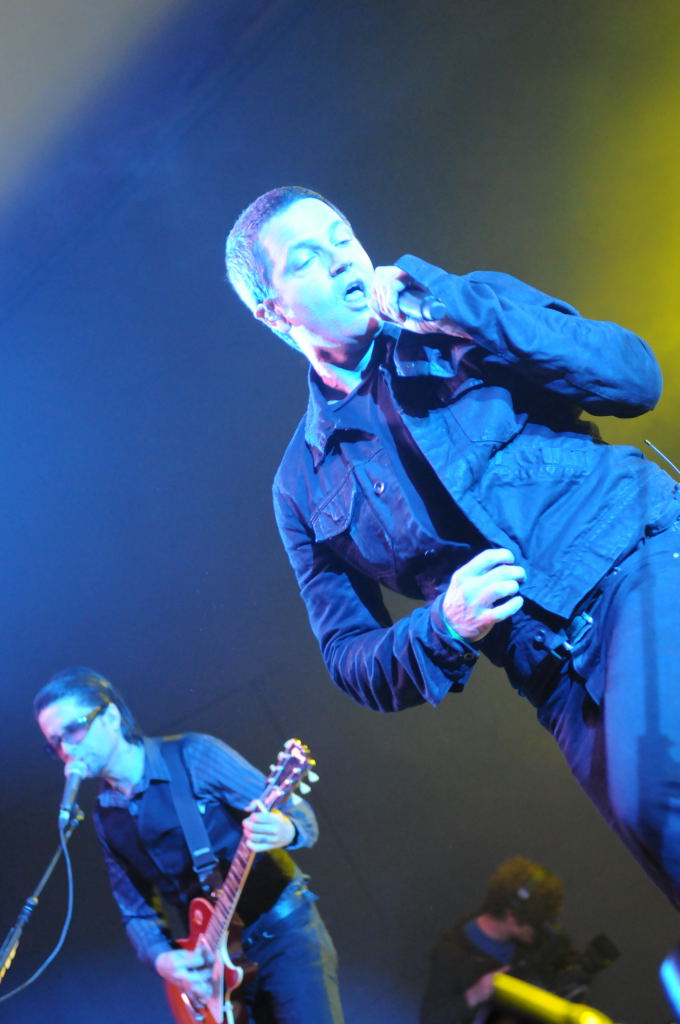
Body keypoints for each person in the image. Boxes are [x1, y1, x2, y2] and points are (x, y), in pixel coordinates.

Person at [225, 186, 680, 908]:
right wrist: (443, 627)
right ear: (273, 311)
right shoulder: (302, 485)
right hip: (552, 670)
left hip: (639, 557)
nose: (341, 258)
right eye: (307, 258)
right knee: (664, 850)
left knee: (655, 796)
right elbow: (349, 655)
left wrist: (452, 306)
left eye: (341, 236)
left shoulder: (459, 314)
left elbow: (633, 377)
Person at [34, 667, 345, 1024]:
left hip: (282, 936)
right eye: (54, 742)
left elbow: (296, 812)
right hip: (217, 968)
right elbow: (136, 911)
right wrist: (163, 959)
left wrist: (286, 829)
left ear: (111, 716)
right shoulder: (106, 815)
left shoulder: (192, 756)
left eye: (73, 729)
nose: (66, 748)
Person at [420, 857, 591, 1024]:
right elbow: (431, 1018)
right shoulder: (451, 953)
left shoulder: (531, 939)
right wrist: (476, 993)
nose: (542, 931)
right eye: (538, 923)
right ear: (512, 916)